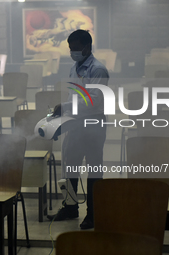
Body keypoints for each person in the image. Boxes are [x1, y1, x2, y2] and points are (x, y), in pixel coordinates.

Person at [47, 29, 109, 230]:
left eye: (75, 48)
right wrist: (62, 119)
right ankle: (71, 207)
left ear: (87, 47)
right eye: (70, 48)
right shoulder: (74, 68)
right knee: (70, 166)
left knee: (94, 171)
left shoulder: (98, 70)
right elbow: (72, 97)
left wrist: (64, 108)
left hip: (93, 124)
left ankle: (94, 214)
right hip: (76, 123)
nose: (72, 52)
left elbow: (91, 102)